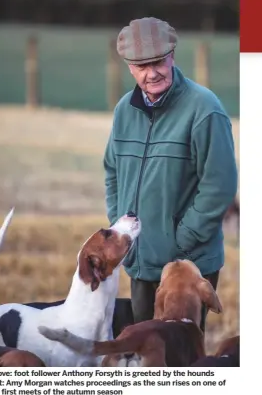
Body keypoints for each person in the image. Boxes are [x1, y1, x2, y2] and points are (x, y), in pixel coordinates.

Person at [103, 17, 237, 333]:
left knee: (181, 358)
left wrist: (183, 239)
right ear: (129, 67)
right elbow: (112, 170)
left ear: (172, 56)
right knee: (147, 353)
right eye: (141, 66)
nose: (152, 73)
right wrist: (122, 225)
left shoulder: (205, 108)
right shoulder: (125, 109)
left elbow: (220, 184)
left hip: (186, 266)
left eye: (158, 62)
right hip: (140, 260)